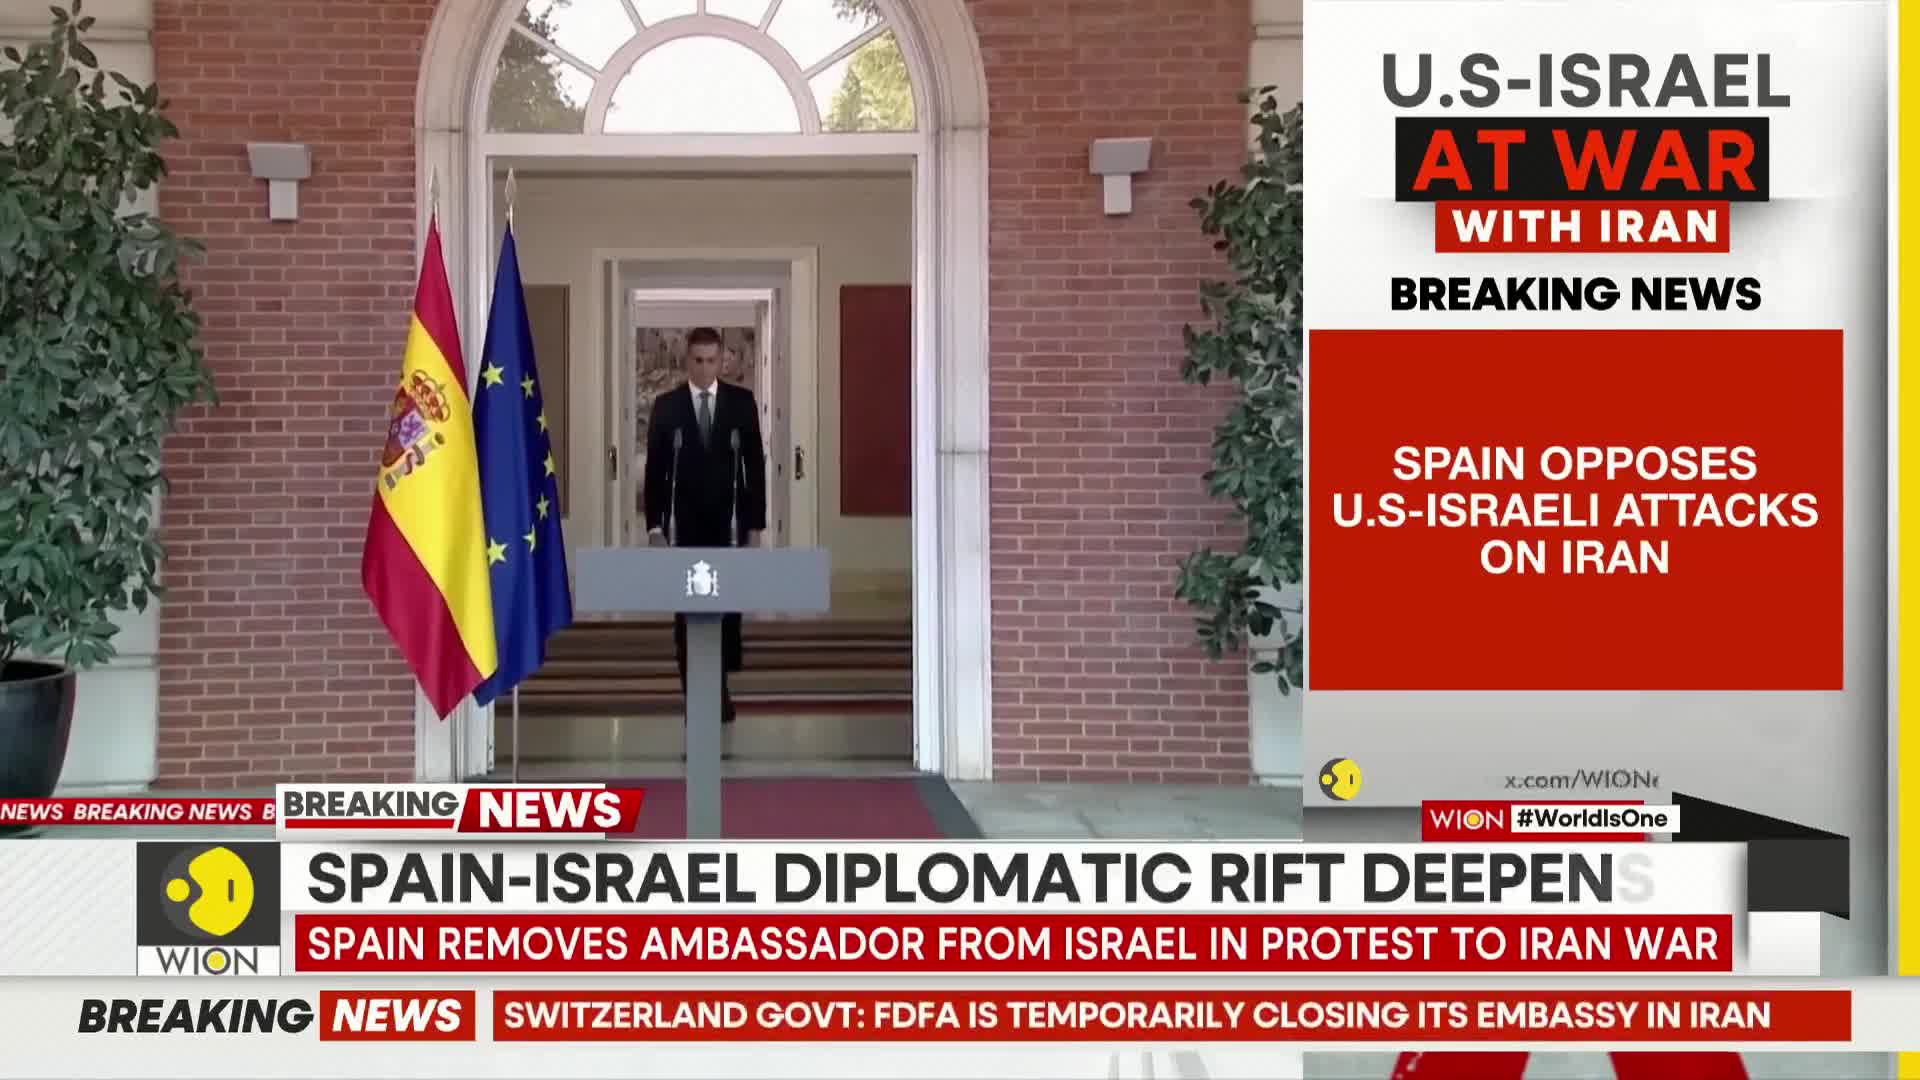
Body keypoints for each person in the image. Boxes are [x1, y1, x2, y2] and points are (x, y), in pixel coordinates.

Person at [641, 327, 767, 738]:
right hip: (685, 527)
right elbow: (655, 470)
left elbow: (755, 468)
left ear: (722, 361)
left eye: (712, 361)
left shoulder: (741, 404)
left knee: (726, 615)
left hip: (727, 525)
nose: (705, 368)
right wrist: (655, 525)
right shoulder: (668, 407)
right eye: (697, 360)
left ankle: (720, 687)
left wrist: (755, 526)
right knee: (688, 617)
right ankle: (699, 697)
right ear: (686, 361)